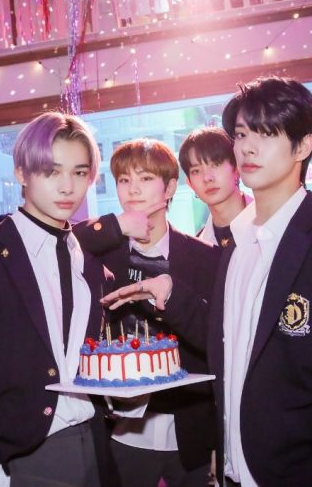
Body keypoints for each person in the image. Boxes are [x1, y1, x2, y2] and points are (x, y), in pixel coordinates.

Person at [102, 77, 312, 486]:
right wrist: (173, 296)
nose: (248, 147)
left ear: (303, 145)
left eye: (267, 132)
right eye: (242, 133)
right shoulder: (236, 245)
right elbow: (227, 347)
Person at [0, 111, 118, 486]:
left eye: (79, 173)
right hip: (21, 458)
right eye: (51, 171)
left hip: (95, 445)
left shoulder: (92, 266)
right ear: (21, 174)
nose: (67, 187)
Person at [73, 139, 218, 487]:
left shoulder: (204, 258)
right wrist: (116, 226)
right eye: (124, 180)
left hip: (190, 429)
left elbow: (214, 342)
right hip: (121, 431)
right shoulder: (100, 254)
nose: (133, 188)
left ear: (170, 187)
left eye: (146, 178)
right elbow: (60, 243)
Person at [178, 127, 250, 248]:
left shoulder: (272, 220)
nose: (207, 178)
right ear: (190, 184)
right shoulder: (198, 249)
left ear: (237, 167)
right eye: (196, 171)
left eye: (216, 164)